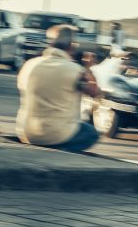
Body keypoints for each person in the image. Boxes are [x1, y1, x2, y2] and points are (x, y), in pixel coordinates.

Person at [16, 24, 100, 152]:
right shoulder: (75, 70)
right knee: (91, 133)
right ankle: (59, 152)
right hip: (56, 135)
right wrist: (88, 67)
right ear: (72, 46)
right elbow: (94, 92)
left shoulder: (29, 64)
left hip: (25, 133)